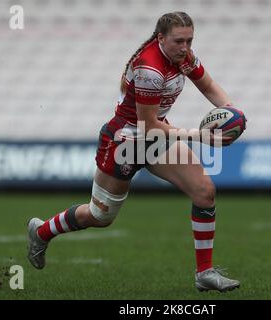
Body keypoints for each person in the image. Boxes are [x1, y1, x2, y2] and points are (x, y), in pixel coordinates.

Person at [27, 11, 246, 292]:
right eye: (180, 41)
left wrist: (231, 111)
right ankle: (42, 231)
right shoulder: (150, 68)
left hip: (156, 140)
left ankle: (204, 273)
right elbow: (148, 125)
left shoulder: (184, 57)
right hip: (125, 143)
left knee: (204, 191)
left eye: (190, 40)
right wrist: (202, 136)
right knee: (99, 216)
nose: (186, 47)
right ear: (161, 38)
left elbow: (208, 85)